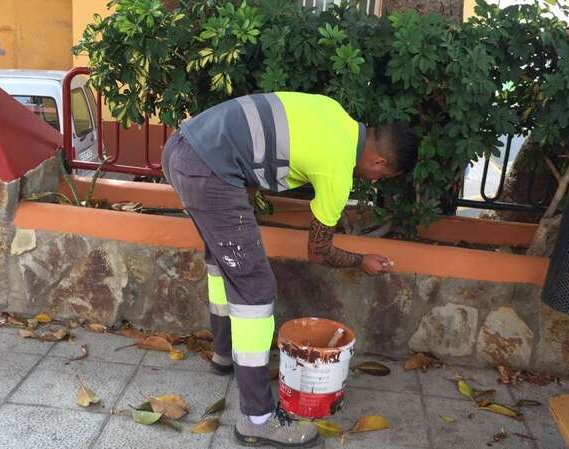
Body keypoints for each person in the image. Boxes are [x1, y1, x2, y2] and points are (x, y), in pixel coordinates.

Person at [162, 92, 418, 448]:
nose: (374, 180)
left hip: (182, 147)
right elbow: (318, 251)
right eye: (382, 174)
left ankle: (225, 356)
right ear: (378, 159)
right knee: (255, 289)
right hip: (207, 169)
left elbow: (252, 140)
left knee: (224, 262)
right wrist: (362, 261)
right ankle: (257, 418)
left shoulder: (333, 112)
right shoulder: (338, 167)